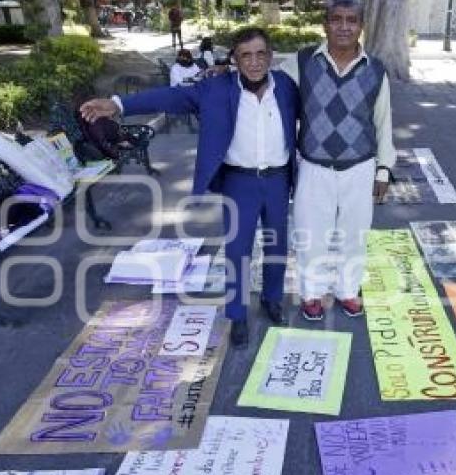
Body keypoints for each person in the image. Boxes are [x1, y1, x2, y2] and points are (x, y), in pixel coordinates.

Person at [80, 27, 299, 348]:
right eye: (245, 56)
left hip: (279, 179)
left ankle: (272, 299)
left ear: (270, 55)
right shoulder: (215, 88)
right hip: (240, 181)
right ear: (234, 60)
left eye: (260, 54)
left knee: (278, 246)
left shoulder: (287, 87)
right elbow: (169, 97)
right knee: (237, 251)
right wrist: (117, 104)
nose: (254, 62)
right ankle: (237, 315)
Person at [280, 0, 396, 321]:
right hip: (314, 168)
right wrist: (227, 75)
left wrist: (384, 169)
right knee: (309, 235)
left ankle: (348, 290)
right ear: (325, 24)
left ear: (361, 26)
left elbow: (384, 121)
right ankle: (312, 293)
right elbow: (268, 86)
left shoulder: (376, 69)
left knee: (354, 235)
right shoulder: (303, 61)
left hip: (359, 167)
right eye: (336, 20)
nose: (344, 27)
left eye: (351, 20)